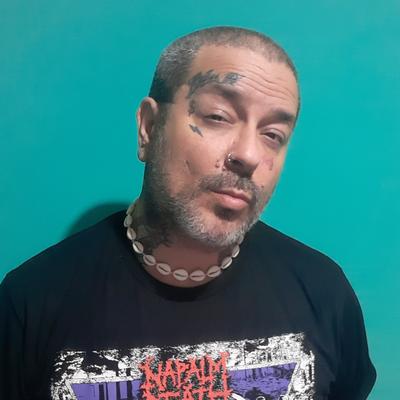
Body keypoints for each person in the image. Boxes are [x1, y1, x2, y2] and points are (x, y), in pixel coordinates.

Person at [0, 26, 376, 400]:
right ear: (149, 128)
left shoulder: (323, 294)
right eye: (218, 116)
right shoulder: (31, 303)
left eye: (272, 134)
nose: (248, 154)